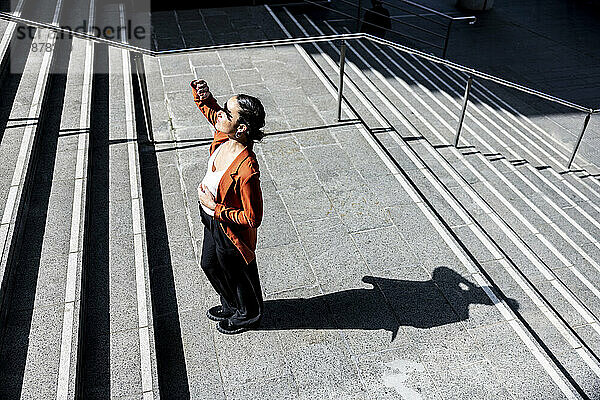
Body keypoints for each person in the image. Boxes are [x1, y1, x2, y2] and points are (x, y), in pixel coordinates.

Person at [191, 78, 266, 335]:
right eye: (223, 108)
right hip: (209, 217)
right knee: (210, 264)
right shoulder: (224, 134)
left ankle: (249, 314)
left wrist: (217, 208)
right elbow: (212, 112)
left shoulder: (247, 170)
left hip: (228, 227)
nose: (220, 115)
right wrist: (203, 96)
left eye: (227, 112)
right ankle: (233, 304)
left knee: (235, 270)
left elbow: (253, 217)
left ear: (242, 128)